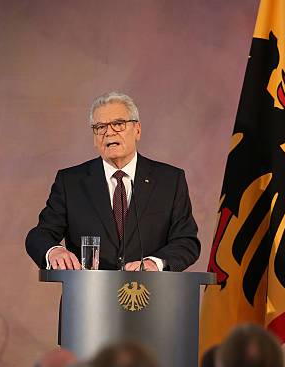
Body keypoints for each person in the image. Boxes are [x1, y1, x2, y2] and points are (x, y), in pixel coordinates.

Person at [25, 92, 200, 272]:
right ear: (94, 137)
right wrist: (53, 251)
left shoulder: (169, 180)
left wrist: (155, 263)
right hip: (87, 296)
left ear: (137, 130)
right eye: (100, 127)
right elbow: (39, 235)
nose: (109, 132)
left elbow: (186, 241)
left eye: (118, 124)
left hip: (149, 294)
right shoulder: (71, 182)